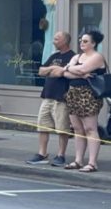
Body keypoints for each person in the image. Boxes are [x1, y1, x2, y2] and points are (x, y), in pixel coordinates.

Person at [26, 31, 75, 167]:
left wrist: (55, 70)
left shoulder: (73, 57)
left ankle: (61, 155)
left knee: (62, 128)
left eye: (56, 39)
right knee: (42, 125)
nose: (53, 41)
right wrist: (54, 68)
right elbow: (41, 71)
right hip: (47, 96)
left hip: (61, 97)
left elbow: (64, 73)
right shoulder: (54, 56)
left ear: (65, 41)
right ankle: (42, 153)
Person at [62, 30, 106, 172]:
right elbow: (66, 73)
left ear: (94, 43)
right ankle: (78, 160)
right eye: (81, 40)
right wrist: (74, 70)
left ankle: (92, 163)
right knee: (77, 129)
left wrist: (73, 69)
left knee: (90, 128)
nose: (82, 43)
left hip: (89, 94)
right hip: (73, 93)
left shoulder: (97, 57)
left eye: (86, 41)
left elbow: (82, 69)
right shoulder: (77, 56)